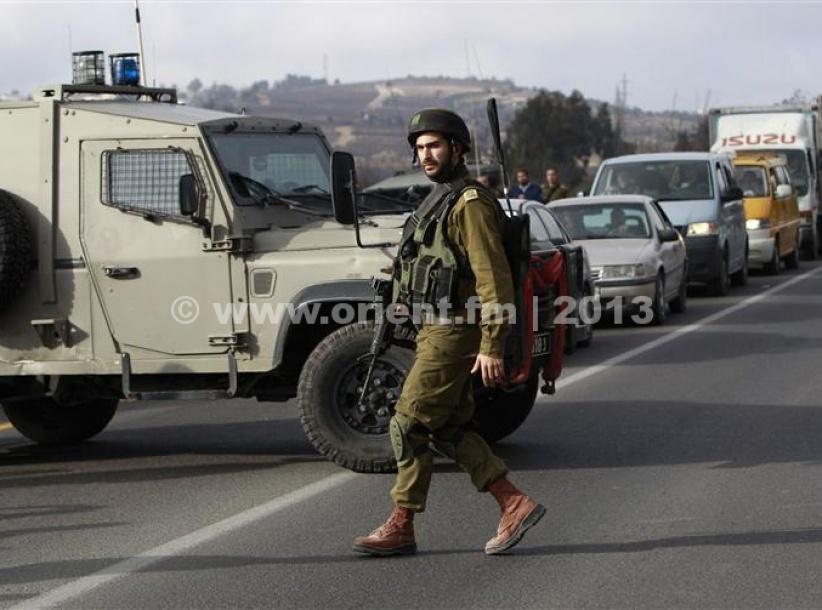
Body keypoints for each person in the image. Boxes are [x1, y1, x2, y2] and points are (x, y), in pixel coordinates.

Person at [352, 108, 545, 557]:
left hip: (456, 329)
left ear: (457, 149)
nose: (426, 155)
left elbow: (493, 279)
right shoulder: (439, 199)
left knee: (407, 422)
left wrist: (492, 345)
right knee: (446, 427)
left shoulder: (470, 204)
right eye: (420, 148)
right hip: (433, 327)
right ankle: (513, 502)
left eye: (434, 145)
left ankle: (401, 523)